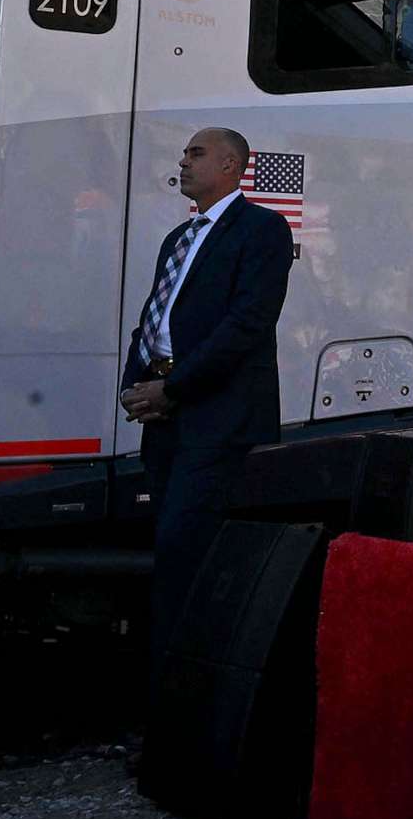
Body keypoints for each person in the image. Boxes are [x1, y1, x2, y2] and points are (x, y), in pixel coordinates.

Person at [119, 126, 294, 670]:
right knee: (167, 547)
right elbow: (156, 315)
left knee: (185, 552)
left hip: (216, 418)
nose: (184, 161)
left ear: (230, 166)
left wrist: (173, 388)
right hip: (167, 419)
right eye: (184, 153)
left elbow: (247, 324)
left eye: (196, 153)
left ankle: (184, 681)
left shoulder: (262, 229)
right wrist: (135, 385)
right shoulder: (179, 238)